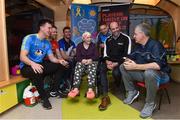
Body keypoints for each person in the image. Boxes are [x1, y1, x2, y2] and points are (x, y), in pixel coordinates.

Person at [119, 23, 171, 118]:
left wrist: (135, 66)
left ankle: (150, 104)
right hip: (145, 75)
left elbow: (158, 65)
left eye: (135, 34)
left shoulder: (155, 45)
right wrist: (128, 61)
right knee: (123, 66)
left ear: (142, 34)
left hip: (161, 76)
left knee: (150, 72)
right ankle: (132, 91)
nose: (133, 36)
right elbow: (130, 57)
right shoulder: (138, 45)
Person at [20, 19, 69, 110]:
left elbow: (52, 58)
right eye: (49, 28)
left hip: (40, 64)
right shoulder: (29, 38)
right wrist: (32, 64)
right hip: (27, 65)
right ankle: (43, 98)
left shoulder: (47, 43)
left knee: (60, 66)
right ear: (41, 28)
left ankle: (54, 91)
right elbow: (22, 57)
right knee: (38, 70)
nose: (50, 30)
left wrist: (60, 61)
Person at [98, 22, 132, 110]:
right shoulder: (108, 40)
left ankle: (118, 84)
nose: (115, 30)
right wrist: (107, 62)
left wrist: (116, 64)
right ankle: (105, 97)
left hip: (120, 63)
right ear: (110, 30)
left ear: (119, 27)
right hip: (109, 62)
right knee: (101, 68)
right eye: (113, 29)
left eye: (117, 28)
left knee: (116, 73)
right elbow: (105, 54)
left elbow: (127, 55)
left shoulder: (126, 38)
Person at [68, 32, 99, 100]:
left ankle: (90, 90)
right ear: (83, 38)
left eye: (90, 37)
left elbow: (96, 56)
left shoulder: (93, 45)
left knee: (91, 67)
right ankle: (76, 89)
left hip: (92, 62)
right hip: (82, 62)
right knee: (78, 65)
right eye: (88, 37)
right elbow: (77, 57)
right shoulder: (79, 45)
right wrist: (82, 60)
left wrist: (90, 60)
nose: (89, 39)